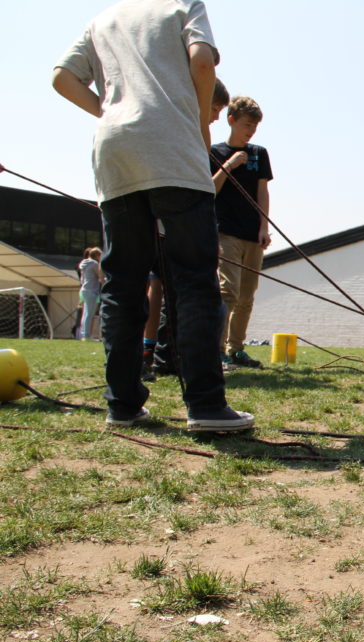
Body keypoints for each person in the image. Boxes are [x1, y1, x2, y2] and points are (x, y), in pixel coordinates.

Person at [53, 0, 253, 431]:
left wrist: (109, 113)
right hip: (173, 146)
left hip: (115, 150)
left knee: (123, 283)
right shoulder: (184, 5)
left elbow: (62, 78)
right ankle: (204, 405)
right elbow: (202, 63)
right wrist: (200, 122)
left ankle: (123, 405)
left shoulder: (101, 19)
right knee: (195, 280)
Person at [147, 78, 231, 380]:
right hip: (168, 229)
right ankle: (166, 359)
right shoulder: (180, 134)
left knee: (170, 296)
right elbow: (199, 190)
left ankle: (165, 358)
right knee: (176, 297)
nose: (216, 117)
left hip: (173, 227)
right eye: (215, 108)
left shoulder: (190, 135)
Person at [212, 96, 272, 369]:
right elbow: (210, 188)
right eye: (247, 124)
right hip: (226, 232)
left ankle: (236, 349)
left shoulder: (259, 153)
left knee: (247, 296)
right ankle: (217, 350)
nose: (251, 131)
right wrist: (230, 164)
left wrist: (264, 227)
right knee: (228, 291)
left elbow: (262, 191)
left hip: (252, 233)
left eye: (255, 126)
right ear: (232, 120)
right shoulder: (214, 152)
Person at [77, 247, 102, 341]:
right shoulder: (94, 264)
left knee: (86, 314)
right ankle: (86, 335)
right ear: (96, 255)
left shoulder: (84, 263)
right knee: (89, 314)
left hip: (84, 289)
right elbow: (101, 276)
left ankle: (84, 334)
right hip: (91, 290)